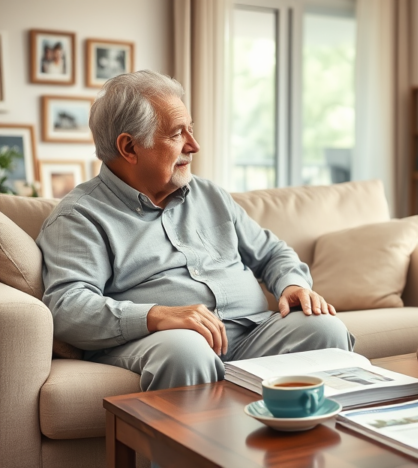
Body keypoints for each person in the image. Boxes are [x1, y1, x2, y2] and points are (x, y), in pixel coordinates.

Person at [37, 70, 354, 391]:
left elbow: (272, 253)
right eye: (177, 134)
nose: (195, 145)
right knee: (186, 351)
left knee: (325, 329)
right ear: (129, 147)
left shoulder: (210, 195)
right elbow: (67, 307)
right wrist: (157, 315)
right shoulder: (80, 215)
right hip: (166, 342)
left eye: (191, 130)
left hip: (252, 333)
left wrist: (291, 284)